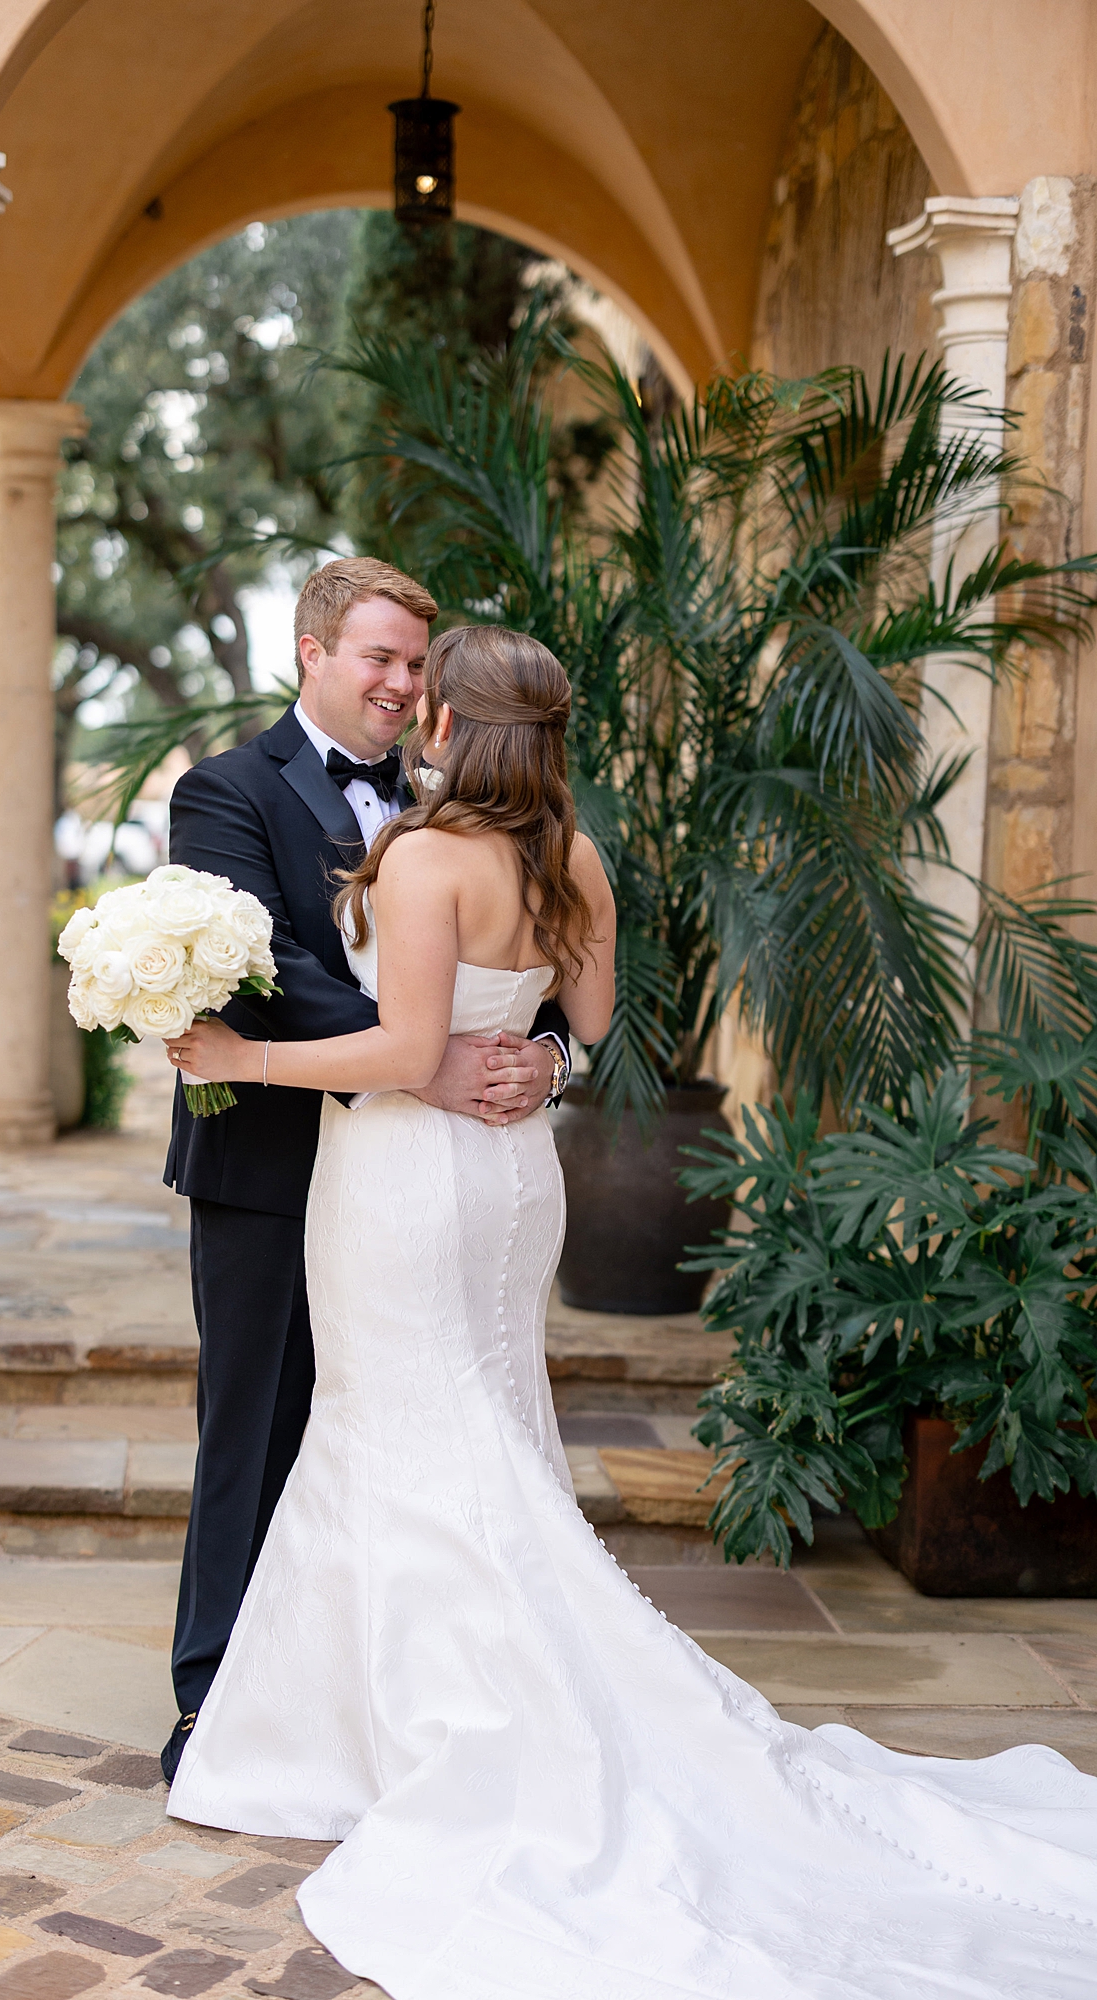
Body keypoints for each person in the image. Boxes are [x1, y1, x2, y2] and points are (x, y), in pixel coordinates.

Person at [163, 622, 1097, 1999]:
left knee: (397, 1423)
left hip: (409, 1174)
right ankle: (416, 1704)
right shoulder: (572, 856)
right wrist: (529, 1049)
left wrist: (239, 1050)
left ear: (452, 729)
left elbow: (406, 1053)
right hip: (510, 1179)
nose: (410, 703)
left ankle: (424, 1726)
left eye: (431, 695)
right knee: (477, 1422)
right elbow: (589, 1026)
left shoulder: (423, 858)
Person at [159, 559, 571, 1783]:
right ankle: (215, 1700)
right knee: (257, 1425)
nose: (399, 684)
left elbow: (553, 950)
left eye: (413, 664)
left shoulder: (465, 789)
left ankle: (394, 1704)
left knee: (428, 1429)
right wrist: (417, 1059)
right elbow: (269, 959)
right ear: (311, 653)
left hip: (425, 1180)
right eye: (379, 658)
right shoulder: (223, 788)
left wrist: (548, 1053)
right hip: (273, 1159)